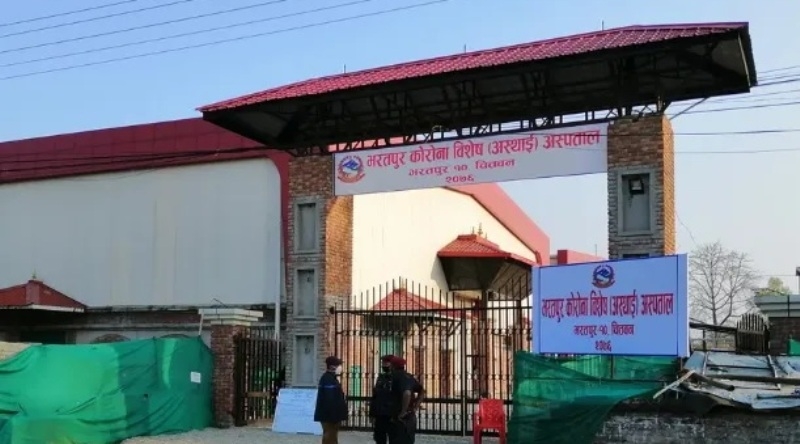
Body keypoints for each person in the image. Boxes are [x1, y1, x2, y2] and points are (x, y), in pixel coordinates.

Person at [388, 356, 425, 444]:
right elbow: (422, 391)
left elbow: (407, 393)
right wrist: (415, 407)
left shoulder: (397, 377)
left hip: (400, 418)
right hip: (410, 417)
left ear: (393, 366)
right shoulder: (409, 377)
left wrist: (403, 412)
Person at [313, 356, 348, 444]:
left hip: (331, 415)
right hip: (329, 416)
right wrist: (334, 416)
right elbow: (330, 399)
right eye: (339, 365)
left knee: (332, 437)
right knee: (330, 438)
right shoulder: (328, 379)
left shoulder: (331, 378)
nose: (340, 367)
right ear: (333, 367)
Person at [369, 355, 396, 444]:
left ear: (392, 364)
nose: (383, 365)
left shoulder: (397, 377)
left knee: (394, 437)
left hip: (392, 413)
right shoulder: (381, 377)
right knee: (379, 437)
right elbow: (375, 397)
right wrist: (372, 414)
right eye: (383, 363)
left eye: (385, 363)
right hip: (380, 413)